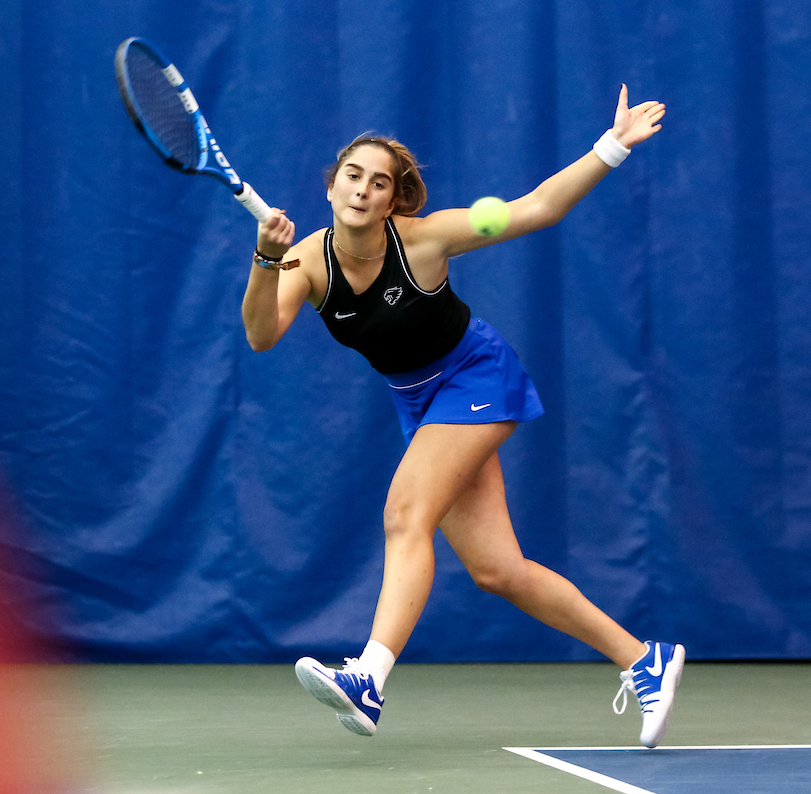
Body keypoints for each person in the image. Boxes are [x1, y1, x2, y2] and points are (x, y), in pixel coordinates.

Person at [241, 85, 683, 747]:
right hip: (417, 398)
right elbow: (261, 334)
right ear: (331, 189)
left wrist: (612, 144)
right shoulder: (306, 259)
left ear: (394, 199)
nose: (363, 190)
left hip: (475, 376)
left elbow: (537, 208)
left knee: (404, 514)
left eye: (379, 182)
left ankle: (368, 679)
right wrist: (266, 261)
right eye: (352, 177)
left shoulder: (425, 240)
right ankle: (643, 659)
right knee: (497, 570)